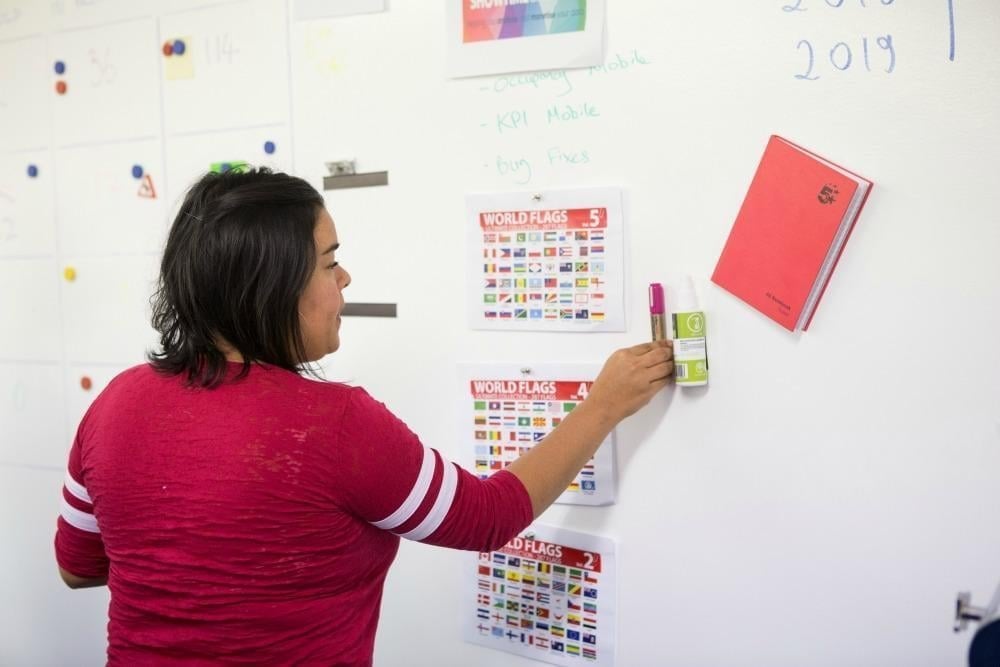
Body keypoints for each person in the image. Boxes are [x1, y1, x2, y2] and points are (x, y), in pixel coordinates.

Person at [54, 167, 674, 665]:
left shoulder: (114, 405)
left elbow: (77, 569)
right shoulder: (333, 427)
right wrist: (605, 404)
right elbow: (487, 518)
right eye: (328, 263)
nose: (345, 277)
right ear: (270, 287)